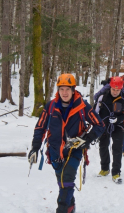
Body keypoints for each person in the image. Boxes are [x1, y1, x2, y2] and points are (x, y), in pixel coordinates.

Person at [28, 73, 105, 213]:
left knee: (67, 180)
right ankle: (71, 205)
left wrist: (86, 140)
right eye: (61, 89)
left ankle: (62, 209)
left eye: (67, 89)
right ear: (58, 90)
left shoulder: (82, 106)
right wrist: (35, 147)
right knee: (63, 183)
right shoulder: (50, 107)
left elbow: (100, 125)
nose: (64, 92)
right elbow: (40, 127)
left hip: (74, 150)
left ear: (73, 89)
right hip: (55, 151)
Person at [94, 76, 124, 184]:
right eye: (113, 89)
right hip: (104, 125)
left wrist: (117, 119)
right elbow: (94, 112)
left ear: (121, 89)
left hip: (118, 126)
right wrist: (96, 123)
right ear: (110, 87)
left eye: (118, 90)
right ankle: (105, 169)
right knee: (103, 146)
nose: (115, 92)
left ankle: (116, 172)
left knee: (117, 148)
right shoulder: (102, 97)